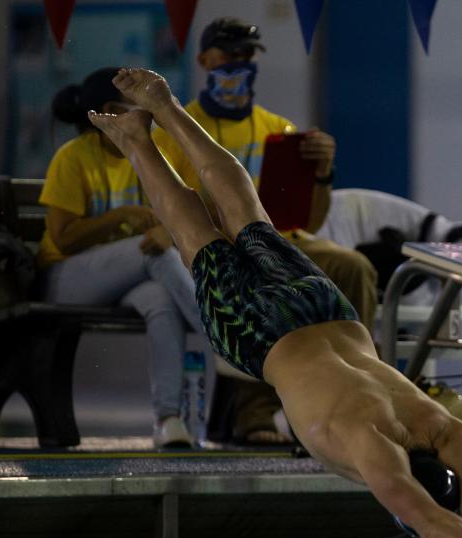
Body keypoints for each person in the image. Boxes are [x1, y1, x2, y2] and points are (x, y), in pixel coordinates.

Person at [87, 67, 462, 538]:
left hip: (327, 312)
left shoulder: (445, 432)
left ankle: (166, 107)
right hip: (266, 338)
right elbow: (434, 524)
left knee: (248, 214)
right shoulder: (374, 454)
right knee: (196, 236)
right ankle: (138, 137)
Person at [153, 17, 377, 446]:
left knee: (354, 267)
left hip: (279, 240)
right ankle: (256, 411)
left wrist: (323, 173)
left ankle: (356, 385)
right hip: (220, 244)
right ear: (203, 60)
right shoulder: (177, 128)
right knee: (263, 276)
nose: (239, 63)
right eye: (229, 54)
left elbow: (307, 221)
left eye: (247, 55)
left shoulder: (279, 130)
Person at [40, 67, 205, 448]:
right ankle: (219, 334)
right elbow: (62, 240)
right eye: (131, 107)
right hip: (65, 280)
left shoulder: (150, 154)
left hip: (127, 279)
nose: (142, 116)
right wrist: (120, 217)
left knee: (162, 302)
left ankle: (168, 419)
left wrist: (168, 230)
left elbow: (182, 213)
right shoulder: (74, 157)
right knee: (149, 252)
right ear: (106, 112)